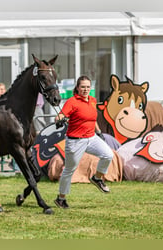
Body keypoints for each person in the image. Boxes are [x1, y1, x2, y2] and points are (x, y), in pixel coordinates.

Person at [53, 75, 114, 209]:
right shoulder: (72, 101)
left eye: (87, 87)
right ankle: (61, 198)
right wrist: (59, 119)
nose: (85, 89)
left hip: (92, 137)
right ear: (78, 88)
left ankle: (97, 178)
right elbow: (60, 115)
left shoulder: (92, 100)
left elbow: (93, 119)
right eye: (83, 87)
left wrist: (99, 133)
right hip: (75, 141)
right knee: (70, 169)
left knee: (108, 155)